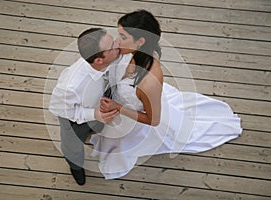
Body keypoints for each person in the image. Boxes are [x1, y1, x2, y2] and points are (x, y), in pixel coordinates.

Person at [90, 10, 243, 179]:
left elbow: (153, 120)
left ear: (140, 41)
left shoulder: (149, 81)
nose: (117, 42)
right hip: (123, 104)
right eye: (118, 34)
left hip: (138, 118)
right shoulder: (130, 52)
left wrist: (118, 108)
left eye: (123, 37)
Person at [49, 28, 123, 185]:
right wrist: (94, 114)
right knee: (73, 148)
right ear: (98, 61)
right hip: (75, 119)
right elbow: (59, 109)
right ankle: (76, 167)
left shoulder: (114, 56)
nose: (118, 44)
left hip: (102, 104)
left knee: (99, 128)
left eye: (114, 39)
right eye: (112, 46)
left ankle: (95, 129)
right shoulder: (70, 86)